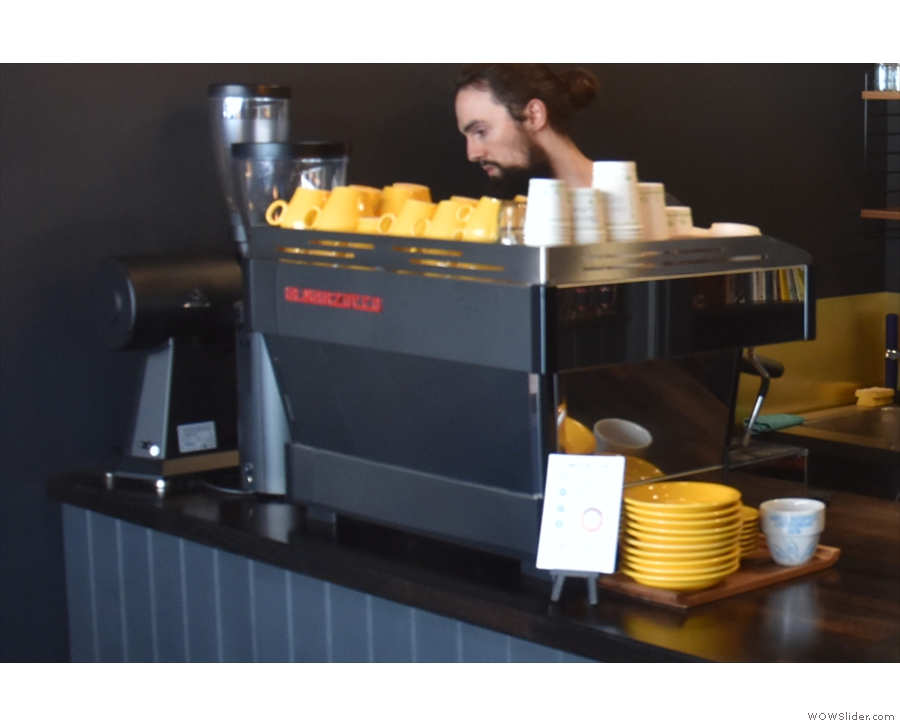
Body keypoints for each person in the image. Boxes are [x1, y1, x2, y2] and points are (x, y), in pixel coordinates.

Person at [454, 64, 599, 197]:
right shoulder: (507, 211)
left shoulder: (612, 201)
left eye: (480, 132)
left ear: (534, 115)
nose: (472, 154)